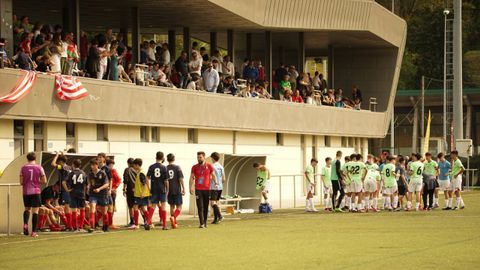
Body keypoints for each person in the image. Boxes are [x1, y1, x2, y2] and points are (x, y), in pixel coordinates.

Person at [20, 152, 47, 237]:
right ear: (35, 158)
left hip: (26, 191)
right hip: (35, 191)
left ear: (27, 159)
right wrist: (36, 181)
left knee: (27, 209)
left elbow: (21, 182)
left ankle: (25, 224)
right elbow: (44, 181)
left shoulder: (23, 168)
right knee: (35, 212)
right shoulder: (39, 167)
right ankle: (34, 232)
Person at [190, 152, 218, 228]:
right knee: (200, 206)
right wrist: (190, 187)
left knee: (206, 207)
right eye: (198, 157)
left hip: (207, 189)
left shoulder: (209, 166)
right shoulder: (194, 167)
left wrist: (216, 183)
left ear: (204, 157)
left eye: (200, 157)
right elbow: (192, 177)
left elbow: (213, 175)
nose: (198, 159)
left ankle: (205, 222)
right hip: (198, 189)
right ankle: (201, 223)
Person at [147, 151, 169, 230]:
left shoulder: (151, 167)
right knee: (163, 206)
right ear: (163, 158)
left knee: (153, 206)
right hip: (162, 189)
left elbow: (147, 177)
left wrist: (148, 187)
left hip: (154, 189)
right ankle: (164, 225)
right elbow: (166, 180)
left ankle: (148, 222)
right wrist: (167, 190)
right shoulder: (164, 167)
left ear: (156, 157)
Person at [51, 152, 73, 230]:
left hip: (65, 189)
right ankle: (70, 225)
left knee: (67, 207)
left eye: (59, 161)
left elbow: (53, 164)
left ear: (61, 162)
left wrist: (56, 155)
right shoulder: (70, 167)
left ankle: (69, 226)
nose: (58, 163)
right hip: (71, 189)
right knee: (69, 207)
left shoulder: (62, 167)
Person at [87, 158, 110, 232]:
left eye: (94, 165)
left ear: (97, 165)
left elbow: (107, 184)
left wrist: (99, 189)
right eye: (91, 165)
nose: (92, 166)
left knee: (104, 212)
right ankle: (92, 227)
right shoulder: (90, 174)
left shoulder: (103, 173)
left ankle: (105, 225)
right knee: (92, 208)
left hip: (103, 194)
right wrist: (88, 187)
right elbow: (90, 183)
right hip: (93, 194)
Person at [65, 159, 87, 231]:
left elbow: (63, 182)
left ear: (73, 165)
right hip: (81, 193)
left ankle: (74, 227)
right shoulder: (83, 173)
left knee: (74, 210)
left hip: (73, 192)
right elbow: (86, 185)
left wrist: (67, 190)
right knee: (82, 209)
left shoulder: (71, 173)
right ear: (80, 165)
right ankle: (80, 227)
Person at [131, 158, 152, 230]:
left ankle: (136, 224)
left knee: (135, 207)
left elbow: (144, 184)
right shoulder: (139, 172)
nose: (133, 167)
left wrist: (142, 193)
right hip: (139, 194)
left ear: (137, 165)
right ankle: (150, 223)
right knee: (143, 208)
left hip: (140, 195)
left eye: (134, 165)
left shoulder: (141, 173)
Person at [166, 153, 184, 229]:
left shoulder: (165, 168)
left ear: (167, 160)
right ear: (174, 159)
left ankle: (174, 223)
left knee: (171, 206)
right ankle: (174, 218)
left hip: (169, 190)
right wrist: (183, 188)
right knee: (179, 207)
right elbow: (180, 178)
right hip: (176, 189)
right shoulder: (177, 167)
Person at [210, 152, 225, 224]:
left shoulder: (211, 166)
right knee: (215, 203)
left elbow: (211, 176)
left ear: (212, 158)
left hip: (213, 187)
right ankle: (215, 219)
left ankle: (220, 215)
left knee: (212, 203)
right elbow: (224, 179)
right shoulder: (221, 166)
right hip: (220, 187)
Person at [107, 159, 121, 229]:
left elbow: (119, 180)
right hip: (104, 192)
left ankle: (110, 223)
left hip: (112, 192)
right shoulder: (105, 170)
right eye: (110, 165)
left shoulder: (113, 171)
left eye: (112, 165)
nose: (111, 166)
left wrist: (114, 188)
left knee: (111, 207)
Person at [123, 158, 137, 226]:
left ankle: (132, 221)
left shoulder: (127, 169)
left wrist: (124, 189)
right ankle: (144, 220)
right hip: (137, 189)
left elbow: (125, 180)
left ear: (128, 163)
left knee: (130, 206)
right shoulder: (137, 169)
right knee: (138, 206)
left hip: (130, 189)